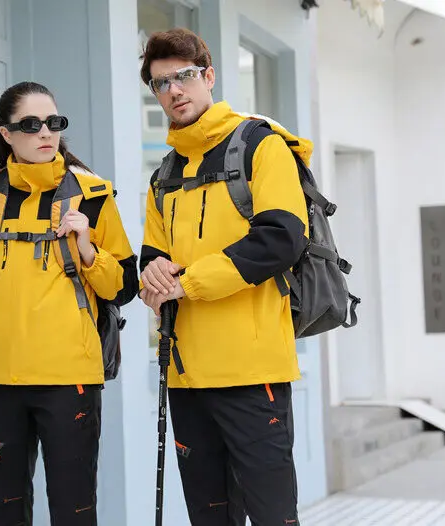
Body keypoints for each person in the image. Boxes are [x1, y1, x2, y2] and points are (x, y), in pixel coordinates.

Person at [0, 81, 138, 525]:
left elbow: (123, 288)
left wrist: (87, 248)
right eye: (31, 124)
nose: (46, 133)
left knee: (73, 512)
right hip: (1, 379)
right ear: (6, 133)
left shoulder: (93, 194)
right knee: (3, 511)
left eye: (53, 122)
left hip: (69, 380)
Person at [138, 28, 309, 525]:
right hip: (187, 376)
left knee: (273, 516)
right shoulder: (164, 175)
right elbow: (152, 260)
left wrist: (188, 282)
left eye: (184, 76)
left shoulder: (260, 145)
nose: (174, 90)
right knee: (208, 516)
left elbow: (281, 238)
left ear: (209, 76)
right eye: (161, 83)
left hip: (252, 374)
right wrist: (152, 274)